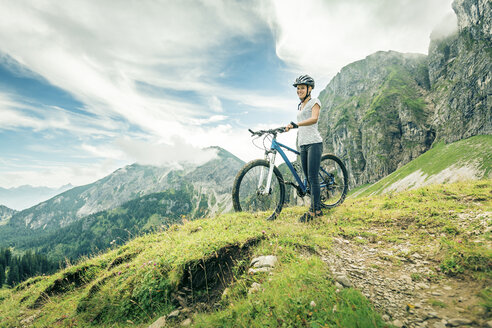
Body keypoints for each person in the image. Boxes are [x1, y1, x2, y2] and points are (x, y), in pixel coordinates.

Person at [285, 74, 323, 222]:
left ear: (309, 89)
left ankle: (316, 211)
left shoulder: (315, 101)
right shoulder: (300, 106)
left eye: (302, 88)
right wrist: (290, 126)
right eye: (298, 88)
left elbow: (314, 119)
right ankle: (315, 208)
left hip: (314, 142)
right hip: (303, 144)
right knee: (307, 177)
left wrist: (297, 124)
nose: (299, 90)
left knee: (313, 178)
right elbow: (301, 122)